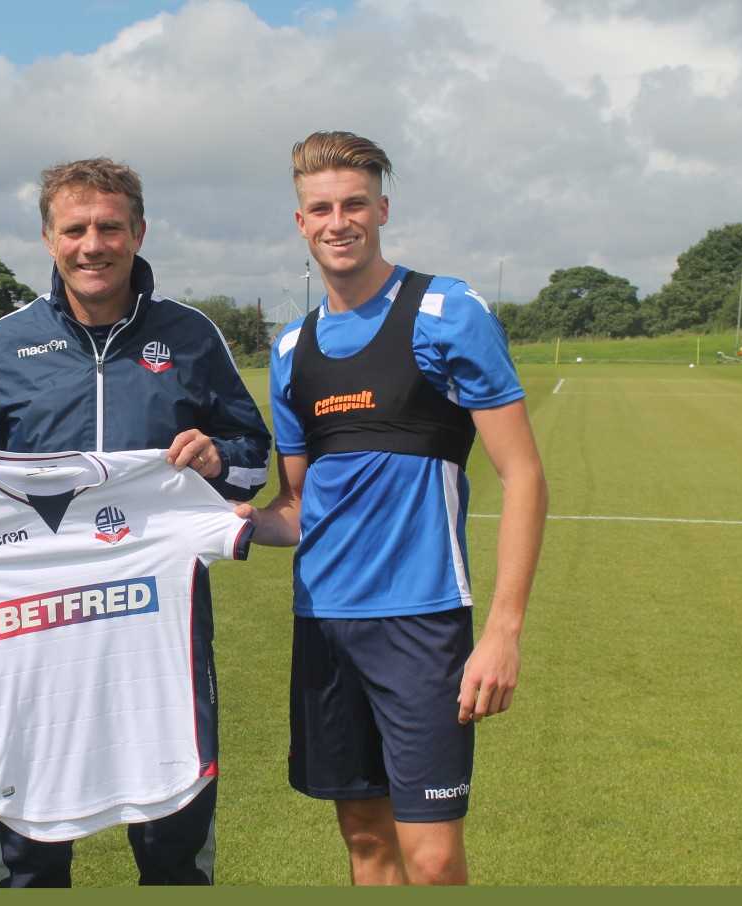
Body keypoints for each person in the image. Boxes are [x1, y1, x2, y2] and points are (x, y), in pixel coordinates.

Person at [0, 157, 272, 887]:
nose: (94, 245)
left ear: (139, 233)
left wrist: (216, 460)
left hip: (159, 621)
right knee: (31, 853)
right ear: (50, 239)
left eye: (110, 227)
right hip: (34, 631)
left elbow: (254, 459)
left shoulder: (190, 335)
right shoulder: (8, 343)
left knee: (175, 841)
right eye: (76, 229)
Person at [238, 132, 548, 885]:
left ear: (381, 208)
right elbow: (299, 509)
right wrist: (221, 525)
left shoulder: (445, 309)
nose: (337, 221)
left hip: (422, 622)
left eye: (353, 204)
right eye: (321, 208)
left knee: (434, 857)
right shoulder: (292, 348)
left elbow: (526, 477)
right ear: (300, 221)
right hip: (324, 625)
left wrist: (502, 632)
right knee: (367, 845)